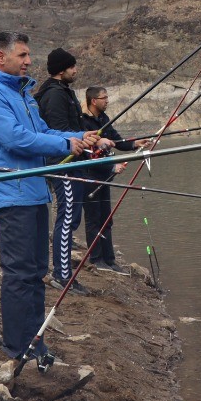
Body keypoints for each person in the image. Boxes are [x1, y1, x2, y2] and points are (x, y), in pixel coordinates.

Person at [0, 32, 108, 366]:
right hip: (11, 196)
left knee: (38, 270)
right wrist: (65, 146)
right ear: (1, 57)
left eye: (29, 56)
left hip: (34, 191)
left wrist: (80, 137)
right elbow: (16, 140)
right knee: (19, 272)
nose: (29, 61)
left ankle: (35, 342)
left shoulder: (23, 94)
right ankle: (16, 347)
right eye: (23, 55)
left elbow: (43, 133)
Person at [34, 47, 94, 295]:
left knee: (72, 216)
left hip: (71, 161)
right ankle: (61, 275)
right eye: (72, 66)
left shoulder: (62, 92)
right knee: (67, 217)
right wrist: (78, 143)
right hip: (62, 163)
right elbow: (57, 130)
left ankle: (63, 272)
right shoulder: (55, 95)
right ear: (61, 70)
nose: (75, 70)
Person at [77, 85, 149, 274]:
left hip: (104, 177)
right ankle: (96, 259)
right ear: (94, 101)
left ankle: (109, 260)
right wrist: (111, 166)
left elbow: (116, 141)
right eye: (104, 97)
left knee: (106, 219)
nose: (107, 100)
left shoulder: (104, 120)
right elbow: (87, 155)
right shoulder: (83, 123)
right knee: (93, 220)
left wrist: (135, 144)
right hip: (88, 177)